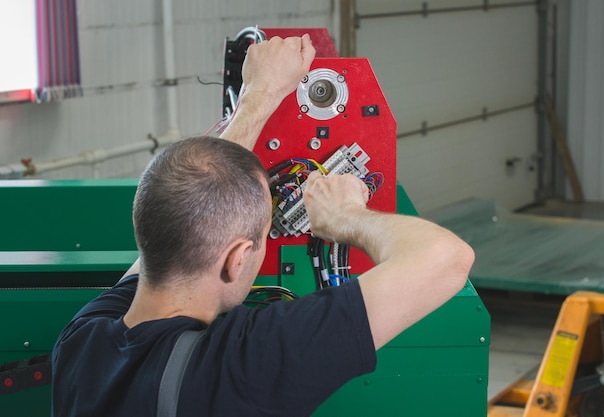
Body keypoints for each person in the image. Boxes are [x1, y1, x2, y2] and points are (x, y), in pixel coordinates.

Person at [51, 34, 474, 417]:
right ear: (237, 259)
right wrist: (346, 218)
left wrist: (261, 93)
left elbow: (200, 194)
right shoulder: (243, 367)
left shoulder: (81, 344)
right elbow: (447, 258)